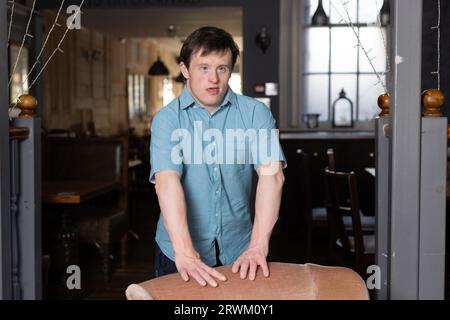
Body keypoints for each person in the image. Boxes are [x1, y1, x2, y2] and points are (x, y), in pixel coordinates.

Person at [149, 26, 286, 287]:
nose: (213, 78)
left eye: (222, 68)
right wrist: (185, 252)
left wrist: (258, 246)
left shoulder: (256, 114)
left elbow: (272, 176)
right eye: (203, 68)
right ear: (185, 69)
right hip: (177, 251)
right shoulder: (167, 119)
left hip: (242, 252)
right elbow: (167, 182)